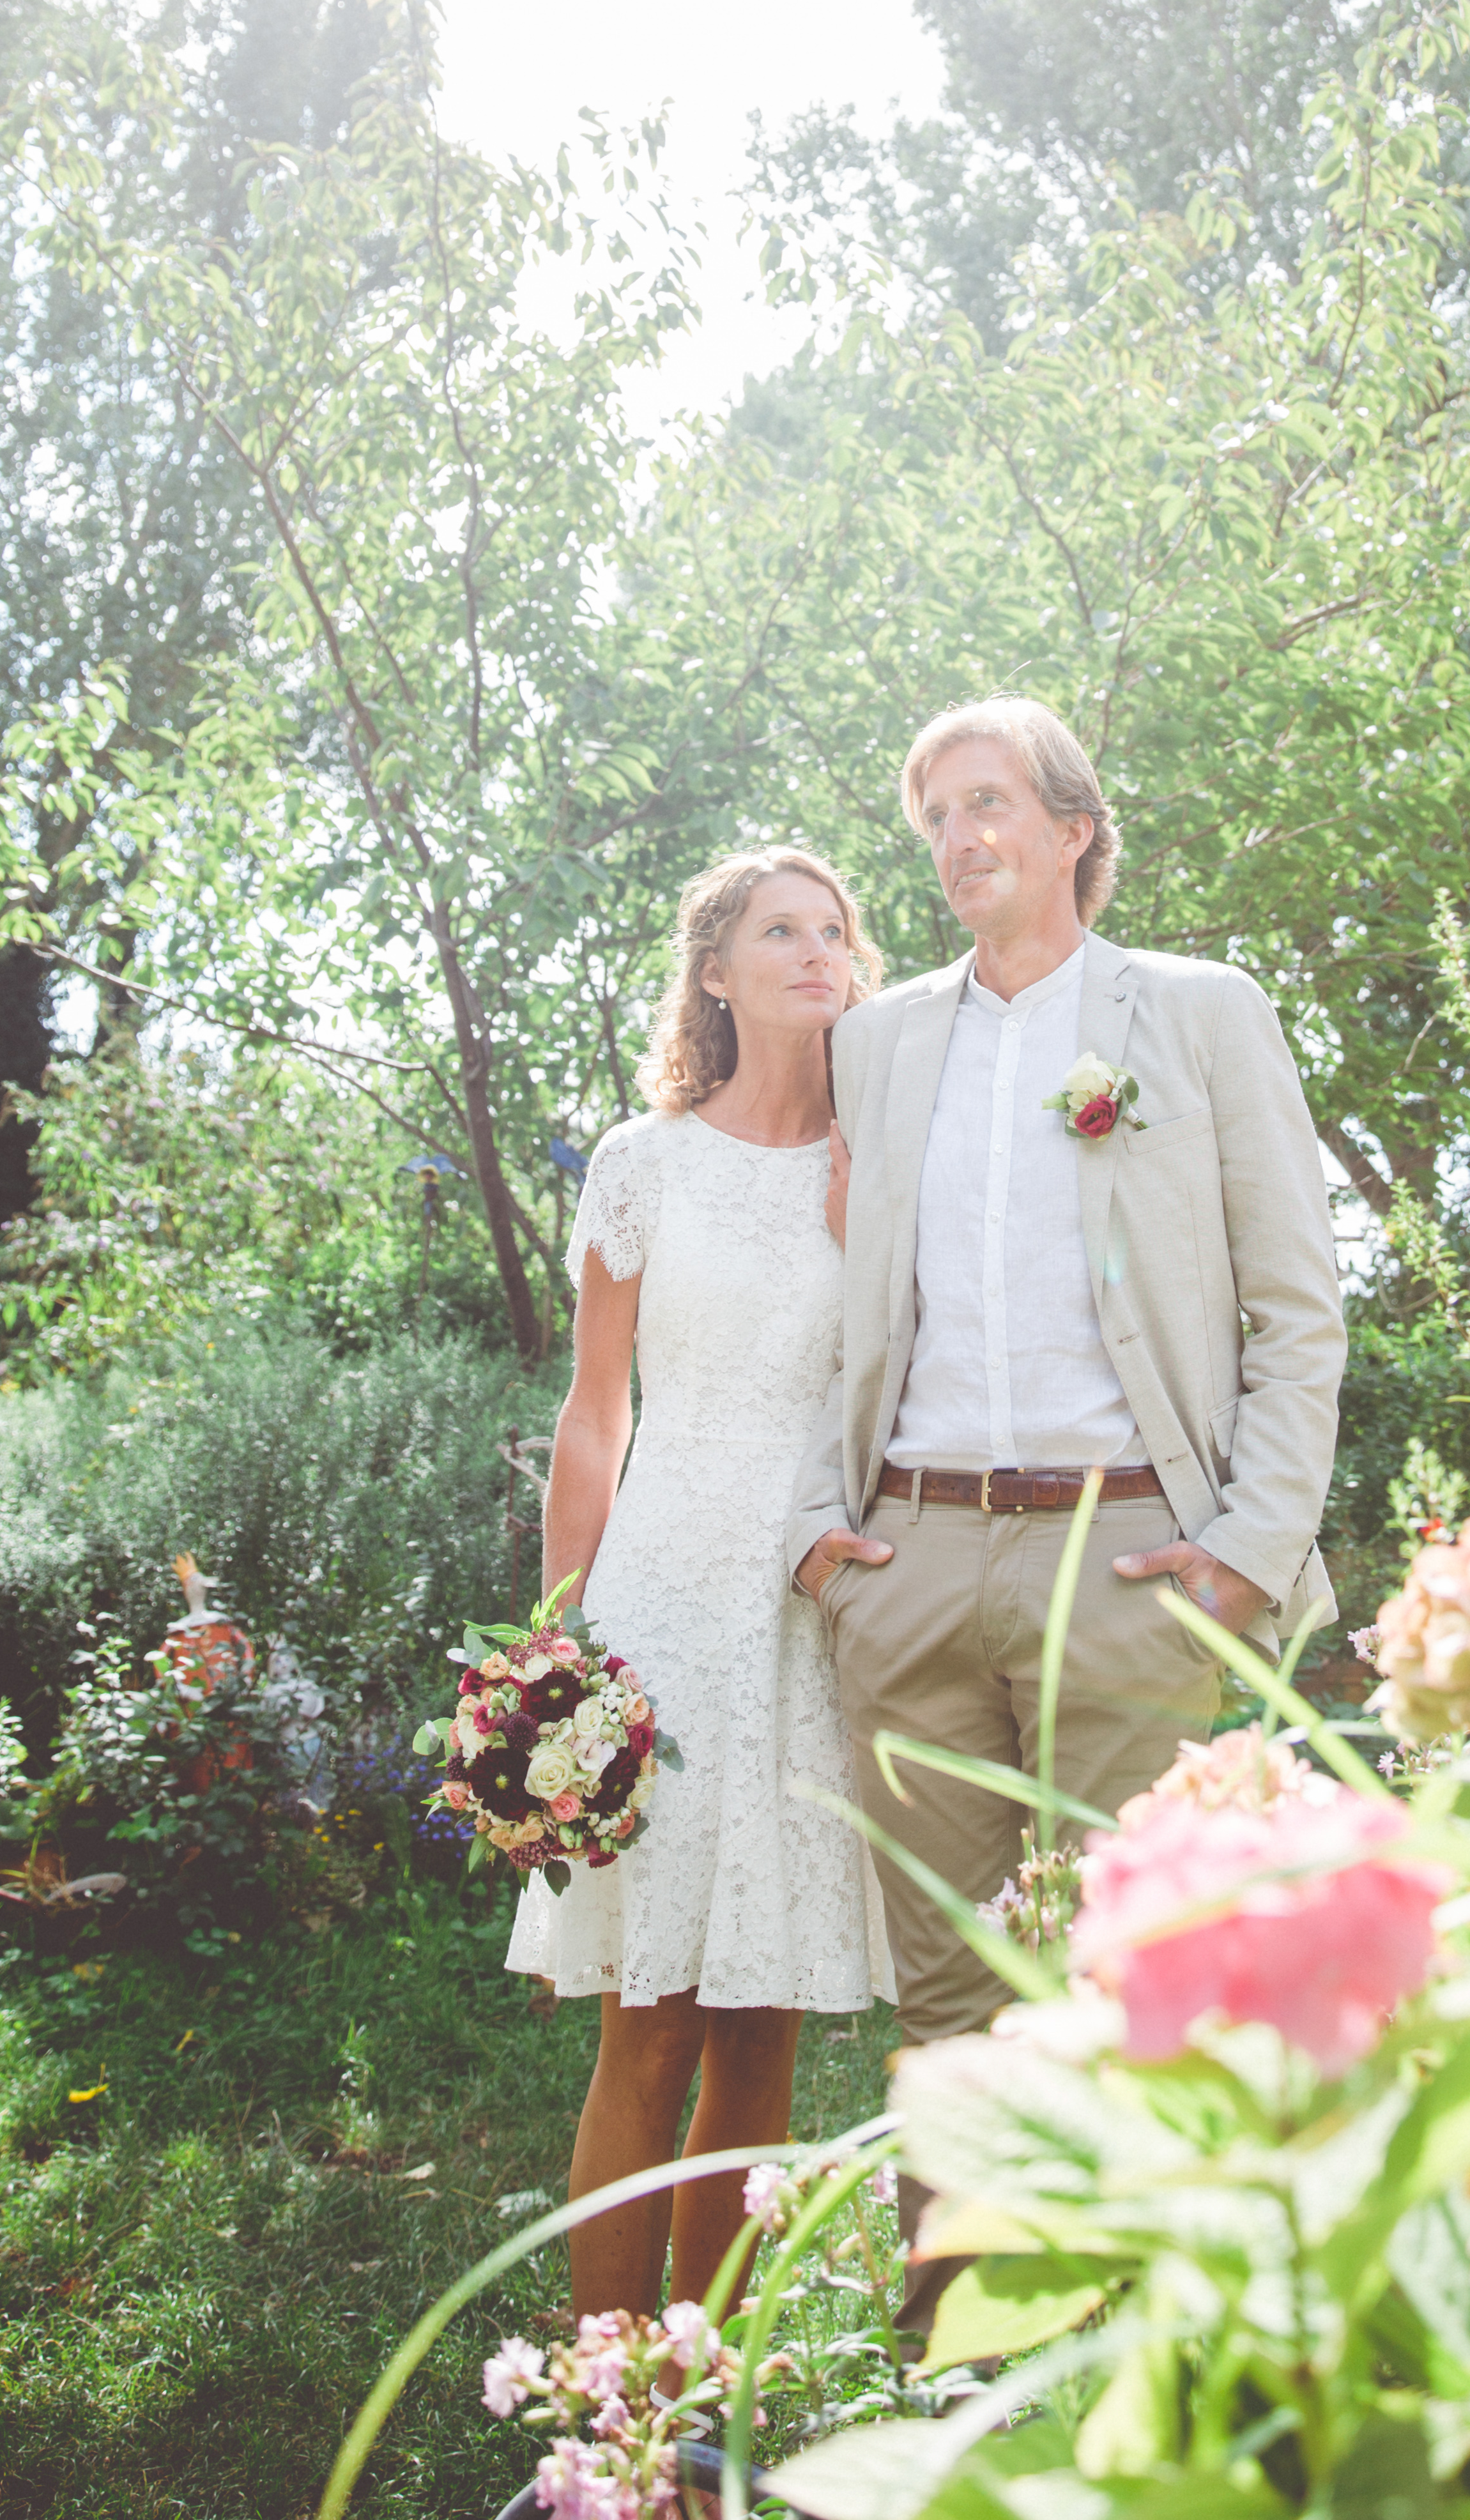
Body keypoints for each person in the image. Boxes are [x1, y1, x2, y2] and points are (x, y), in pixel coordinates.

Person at [787, 698, 1346, 2328]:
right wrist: (828, 1532)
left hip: (1137, 1559)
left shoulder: (1194, 1011)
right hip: (911, 1560)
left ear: (1074, 829)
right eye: (933, 817)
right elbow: (831, 1300)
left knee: (1148, 1981)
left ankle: (1170, 2377)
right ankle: (967, 2382)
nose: (960, 839)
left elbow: (1297, 1309)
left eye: (988, 804)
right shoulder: (877, 1041)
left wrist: (1246, 1551)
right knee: (953, 2007)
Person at [509, 849, 891, 2323]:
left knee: (761, 2026)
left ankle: (699, 2397)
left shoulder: (887, 1160)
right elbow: (596, 1411)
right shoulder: (643, 1161)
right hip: (658, 1606)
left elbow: (905, 1386)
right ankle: (598, 2407)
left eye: (834, 928)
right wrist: (553, 1652)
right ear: (715, 974)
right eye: (775, 929)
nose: (814, 948)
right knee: (648, 2023)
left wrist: (870, 1240)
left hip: (806, 1613)